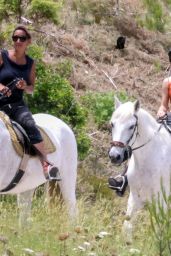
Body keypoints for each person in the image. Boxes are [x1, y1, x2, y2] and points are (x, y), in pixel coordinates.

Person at [0, 25, 61, 181]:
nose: (18, 41)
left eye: (22, 38)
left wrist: (24, 86)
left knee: (30, 124)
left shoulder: (30, 63)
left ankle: (47, 164)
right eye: (15, 38)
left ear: (29, 42)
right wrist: (1, 87)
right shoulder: (2, 56)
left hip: (16, 106)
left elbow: (31, 88)